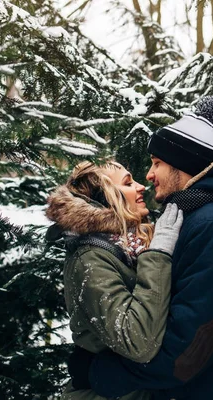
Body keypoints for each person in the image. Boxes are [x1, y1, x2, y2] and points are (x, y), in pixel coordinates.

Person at [68, 96, 213, 399]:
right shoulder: (194, 220)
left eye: (157, 163)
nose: (147, 177)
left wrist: (99, 371)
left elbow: (189, 350)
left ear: (183, 163)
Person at [45, 160, 183, 400]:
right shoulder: (90, 258)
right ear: (105, 200)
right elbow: (137, 342)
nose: (141, 186)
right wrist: (158, 255)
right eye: (128, 183)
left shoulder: (132, 244)